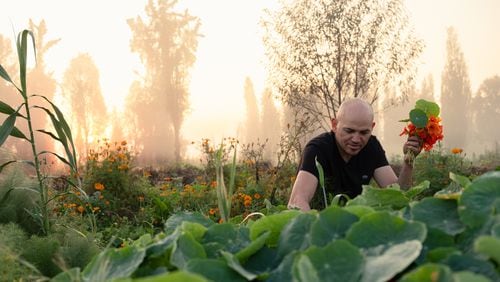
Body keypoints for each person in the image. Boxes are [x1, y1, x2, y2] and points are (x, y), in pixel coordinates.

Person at [287, 98, 422, 211]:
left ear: (372, 127)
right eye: (349, 131)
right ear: (334, 125)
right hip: (319, 223)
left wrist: (409, 161)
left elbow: (399, 194)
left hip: (355, 226)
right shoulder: (317, 149)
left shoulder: (372, 147)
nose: (356, 139)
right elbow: (297, 201)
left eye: (364, 132)